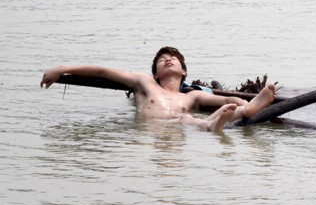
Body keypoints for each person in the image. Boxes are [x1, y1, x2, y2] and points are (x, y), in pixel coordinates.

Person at [40, 46, 277, 131]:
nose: (168, 60)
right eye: (162, 59)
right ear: (155, 72)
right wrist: (63, 68)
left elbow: (230, 98)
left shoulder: (192, 95)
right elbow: (103, 71)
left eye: (173, 59)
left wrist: (246, 103)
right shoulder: (146, 83)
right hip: (154, 129)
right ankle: (213, 123)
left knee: (228, 107)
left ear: (184, 71)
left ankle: (246, 110)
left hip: (184, 124)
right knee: (187, 119)